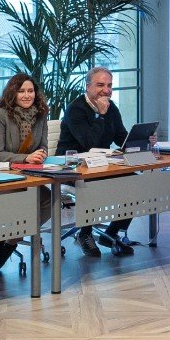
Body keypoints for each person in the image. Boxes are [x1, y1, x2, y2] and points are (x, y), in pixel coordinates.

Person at [59, 66, 145, 256]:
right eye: (100, 85)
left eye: (109, 85)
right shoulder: (75, 109)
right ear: (88, 86)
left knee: (137, 183)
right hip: (72, 168)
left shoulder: (110, 107)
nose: (106, 90)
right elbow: (89, 143)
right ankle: (85, 233)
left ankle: (111, 233)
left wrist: (139, 140)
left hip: (101, 166)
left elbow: (121, 136)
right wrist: (100, 115)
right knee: (95, 187)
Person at [0, 73, 49, 275]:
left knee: (48, 200)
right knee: (14, 202)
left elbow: (44, 146)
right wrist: (25, 159)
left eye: (30, 91)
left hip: (26, 176)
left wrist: (40, 155)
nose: (27, 95)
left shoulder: (40, 114)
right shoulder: (2, 114)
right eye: (21, 91)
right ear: (13, 93)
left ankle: (11, 240)